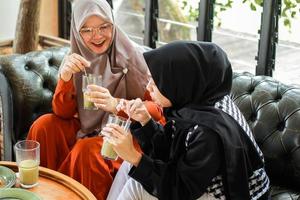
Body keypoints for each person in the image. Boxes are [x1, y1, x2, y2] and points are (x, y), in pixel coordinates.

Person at [26, 0, 164, 199]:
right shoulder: (76, 57)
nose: (97, 36)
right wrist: (65, 78)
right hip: (88, 126)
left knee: (88, 151)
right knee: (43, 126)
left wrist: (116, 104)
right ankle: (43, 192)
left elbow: (157, 111)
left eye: (103, 27)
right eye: (87, 30)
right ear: (76, 31)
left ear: (113, 25)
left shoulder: (133, 56)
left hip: (126, 132)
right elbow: (62, 112)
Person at [102, 41, 270, 200]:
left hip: (231, 194)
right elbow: (175, 151)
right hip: (198, 181)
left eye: (156, 82)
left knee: (136, 184)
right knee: (130, 166)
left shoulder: (209, 130)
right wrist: (146, 122)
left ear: (178, 83)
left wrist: (133, 156)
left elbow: (181, 189)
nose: (148, 87)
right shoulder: (198, 103)